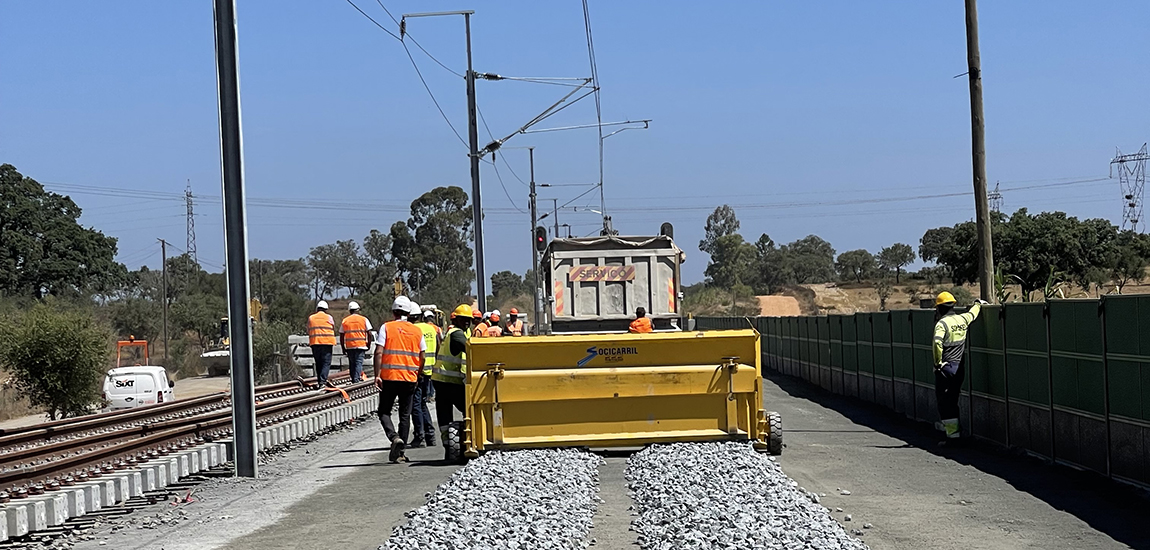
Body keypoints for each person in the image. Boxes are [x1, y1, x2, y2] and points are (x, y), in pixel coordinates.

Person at [374, 296, 426, 463]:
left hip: (389, 378)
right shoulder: (417, 331)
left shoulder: (386, 327)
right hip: (409, 379)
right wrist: (417, 374)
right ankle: (401, 452)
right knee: (405, 414)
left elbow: (378, 352)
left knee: (383, 411)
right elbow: (422, 356)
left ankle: (394, 437)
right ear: (409, 312)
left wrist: (377, 375)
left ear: (394, 311)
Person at [932, 291, 986, 443]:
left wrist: (938, 363)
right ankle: (955, 434)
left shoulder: (942, 324)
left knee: (944, 403)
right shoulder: (962, 319)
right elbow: (972, 314)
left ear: (939, 308)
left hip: (945, 368)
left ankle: (952, 436)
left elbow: (937, 343)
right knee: (953, 400)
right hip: (959, 368)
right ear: (953, 305)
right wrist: (978, 304)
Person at [433, 304, 471, 459]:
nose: (467, 322)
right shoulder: (456, 335)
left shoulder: (459, 332)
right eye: (464, 319)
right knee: (468, 410)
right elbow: (472, 348)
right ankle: (457, 442)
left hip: (444, 380)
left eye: (469, 320)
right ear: (457, 319)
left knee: (445, 414)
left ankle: (451, 446)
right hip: (448, 381)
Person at [410, 302, 438, 448]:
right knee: (422, 403)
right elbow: (437, 346)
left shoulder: (412, 329)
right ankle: (430, 435)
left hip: (417, 371)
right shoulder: (431, 329)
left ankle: (420, 436)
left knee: (416, 404)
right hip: (429, 370)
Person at [339, 301, 373, 383]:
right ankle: (356, 380)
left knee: (352, 363)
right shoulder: (364, 319)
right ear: (357, 310)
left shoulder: (345, 321)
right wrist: (368, 344)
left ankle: (354, 378)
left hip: (350, 346)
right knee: (358, 363)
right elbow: (369, 333)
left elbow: (341, 335)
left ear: (350, 311)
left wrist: (343, 347)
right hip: (361, 345)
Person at [307, 301, 338, 387]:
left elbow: (308, 329)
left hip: (315, 342)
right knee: (326, 362)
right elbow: (333, 327)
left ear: (317, 309)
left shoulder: (311, 318)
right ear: (326, 309)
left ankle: (320, 380)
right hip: (327, 342)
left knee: (318, 362)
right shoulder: (329, 317)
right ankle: (322, 381)